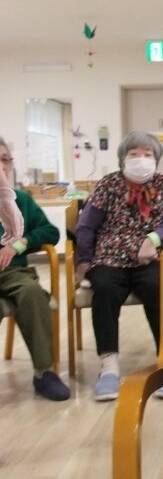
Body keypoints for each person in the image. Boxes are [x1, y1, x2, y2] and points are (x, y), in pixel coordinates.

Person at [75, 131, 163, 401]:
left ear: (156, 159)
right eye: (134, 154)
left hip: (150, 256)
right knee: (105, 289)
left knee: (158, 286)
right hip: (109, 257)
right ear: (123, 159)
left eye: (148, 154)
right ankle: (109, 367)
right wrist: (83, 261)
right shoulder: (108, 184)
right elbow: (86, 225)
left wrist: (152, 239)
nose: (141, 158)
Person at [0, 137, 70, 401]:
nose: (1, 166)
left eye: (5, 160)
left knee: (32, 293)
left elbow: (50, 232)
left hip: (13, 272)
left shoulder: (20, 200)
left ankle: (44, 372)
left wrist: (19, 244)